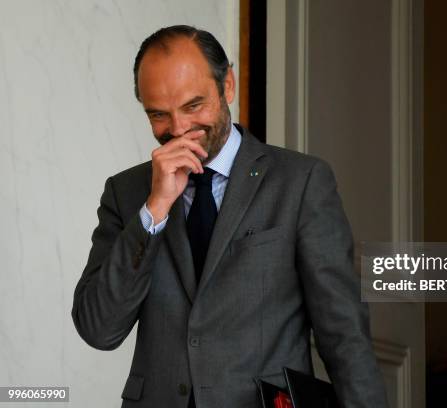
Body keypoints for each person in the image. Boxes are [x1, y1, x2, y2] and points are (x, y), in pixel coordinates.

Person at [71, 25, 388, 408]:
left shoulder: (301, 182)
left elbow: (344, 333)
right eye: (158, 115)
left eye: (193, 106)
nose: (178, 129)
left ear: (228, 86)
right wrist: (154, 210)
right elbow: (98, 329)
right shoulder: (127, 194)